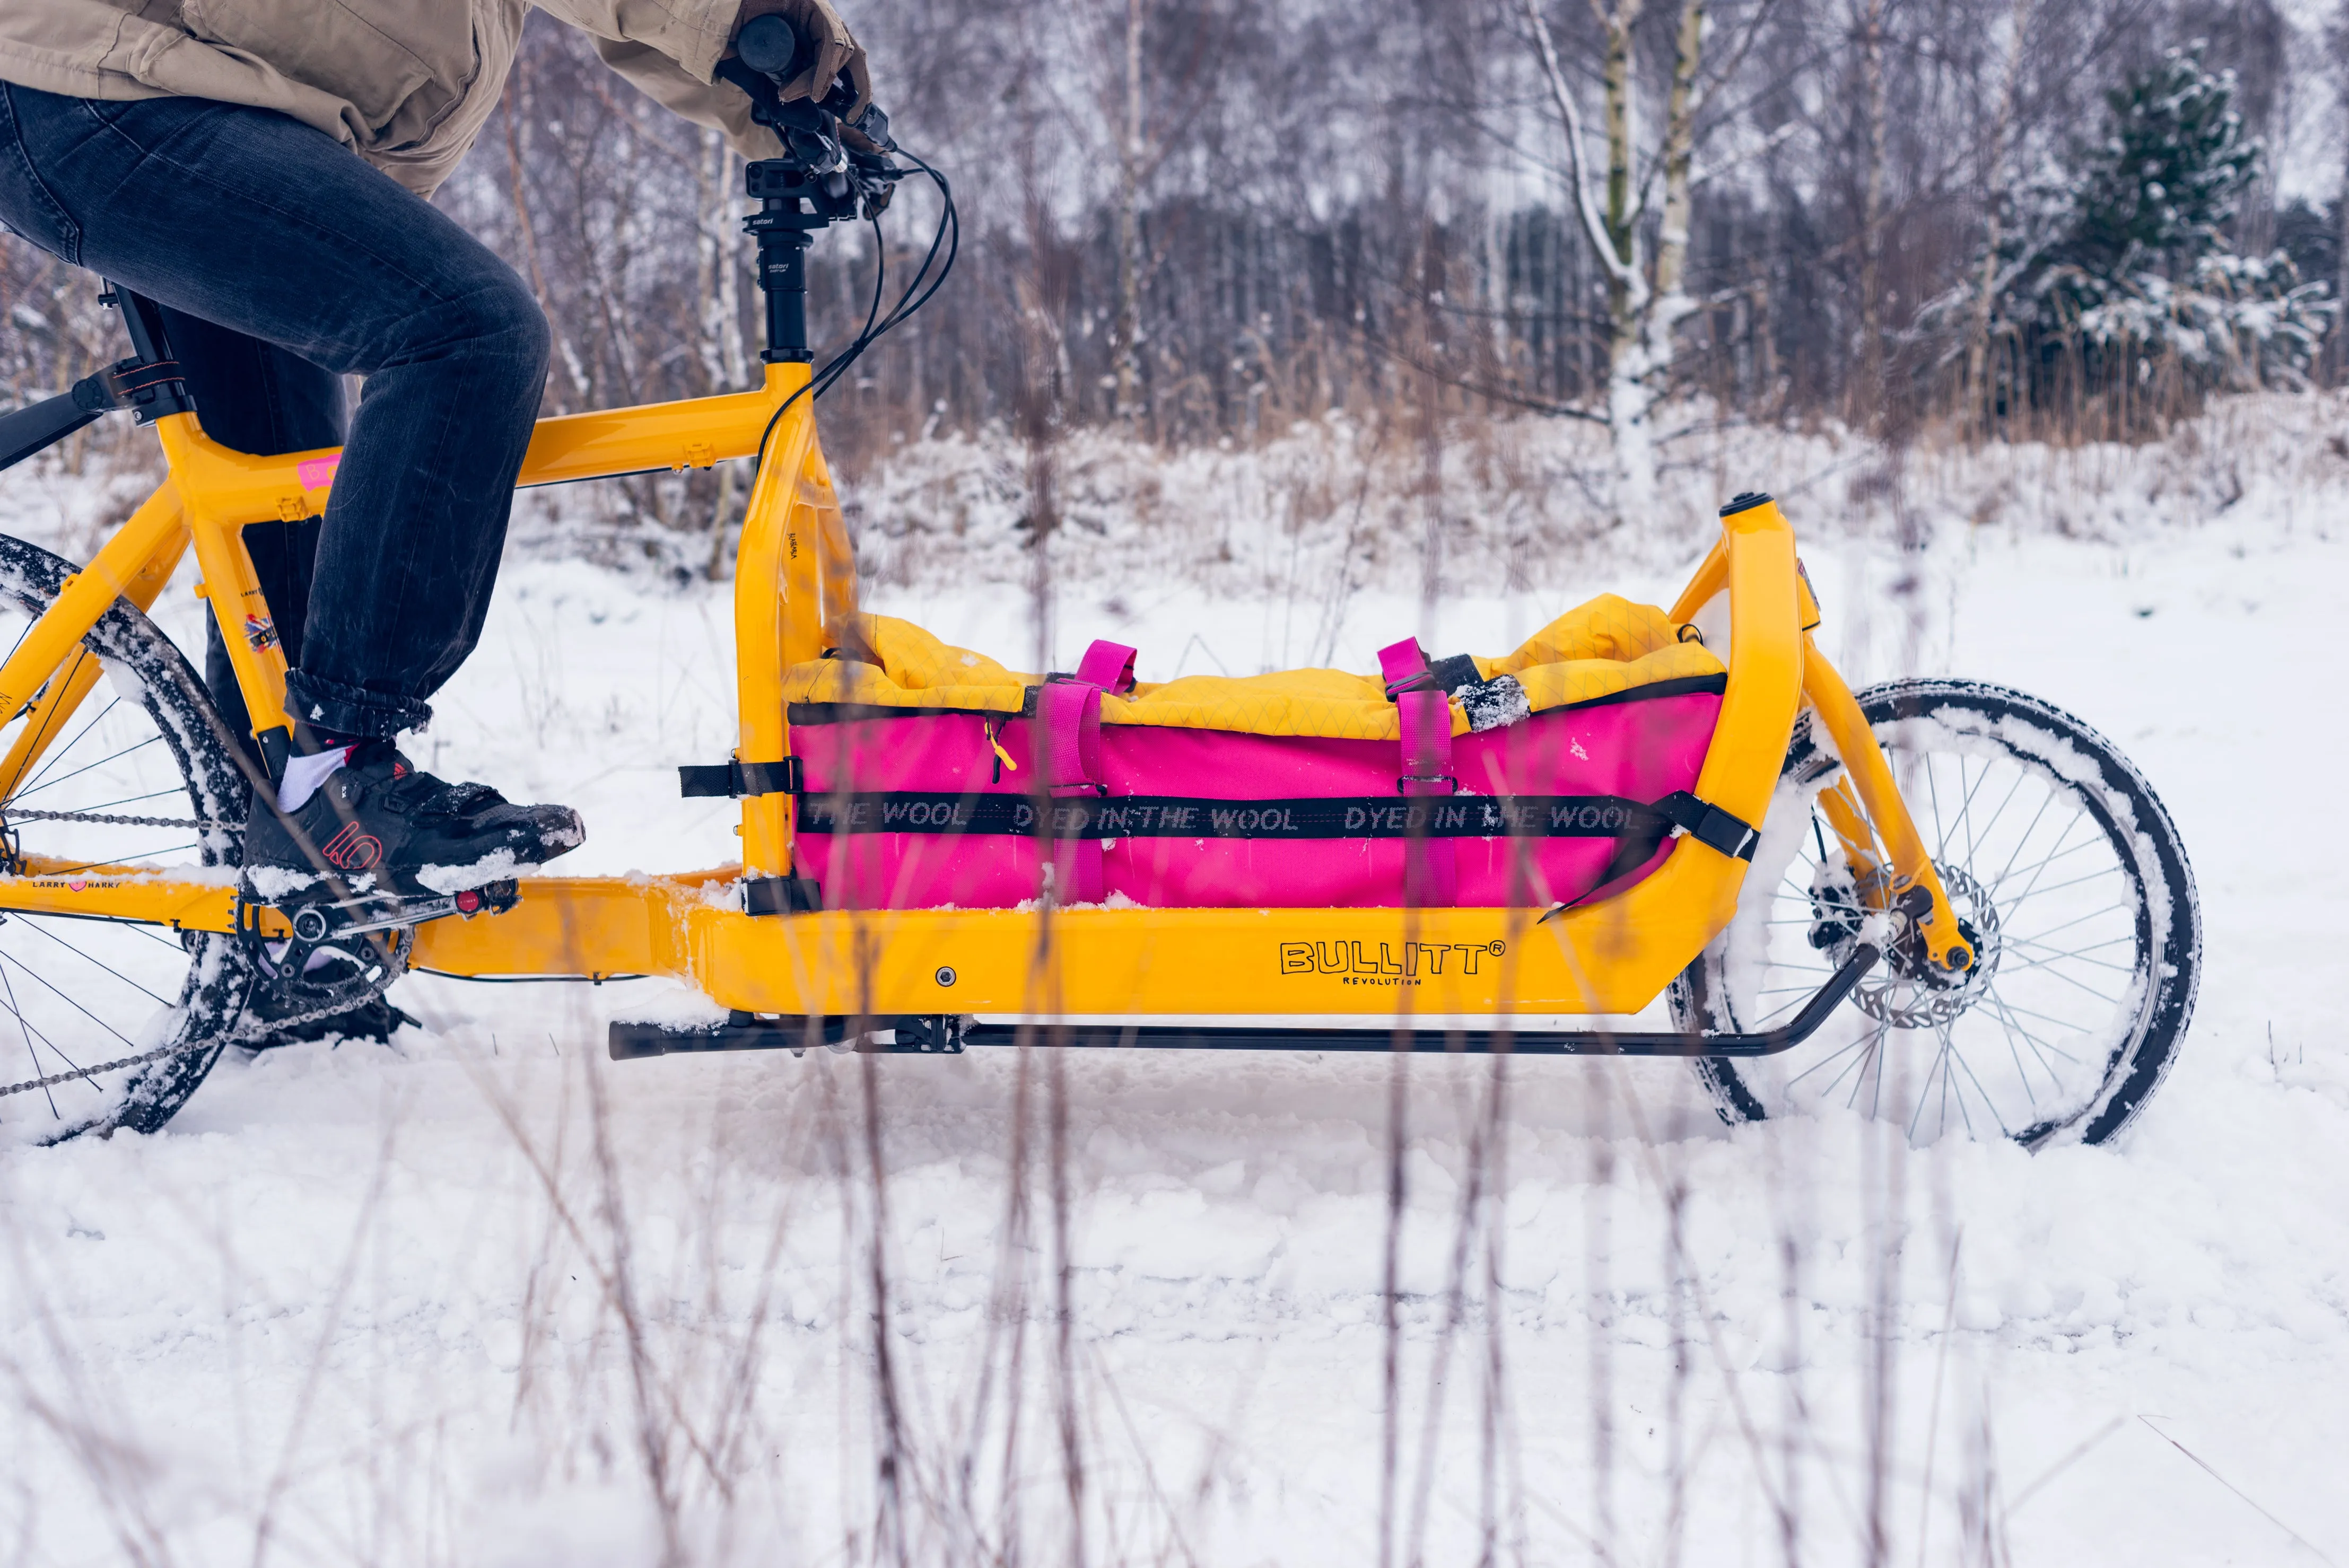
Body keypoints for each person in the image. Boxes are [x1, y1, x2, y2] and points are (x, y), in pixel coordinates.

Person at [0, 0, 868, 899]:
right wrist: (779, 33)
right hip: (106, 88)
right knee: (465, 331)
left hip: (214, 104)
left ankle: (299, 926)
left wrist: (785, 109)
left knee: (282, 504)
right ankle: (338, 770)